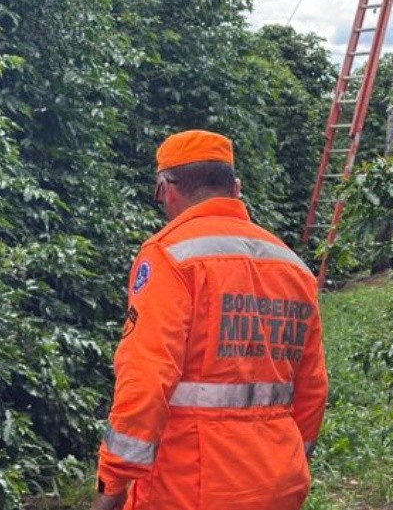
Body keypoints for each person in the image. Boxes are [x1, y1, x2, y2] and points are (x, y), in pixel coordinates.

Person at [93, 130, 328, 510]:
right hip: (280, 483)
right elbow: (312, 387)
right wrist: (286, 460)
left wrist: (112, 487)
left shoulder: (171, 257)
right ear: (235, 188)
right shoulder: (293, 266)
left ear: (166, 189)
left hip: (191, 487)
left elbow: (146, 378)